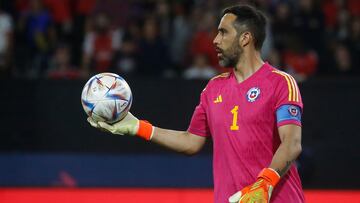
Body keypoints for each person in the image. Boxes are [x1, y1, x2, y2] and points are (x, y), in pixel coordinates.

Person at [88, 4, 305, 203]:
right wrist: (138, 127)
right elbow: (191, 141)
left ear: (245, 38)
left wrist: (264, 183)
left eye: (223, 32)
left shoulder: (281, 83)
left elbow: (292, 143)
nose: (215, 40)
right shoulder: (213, 89)